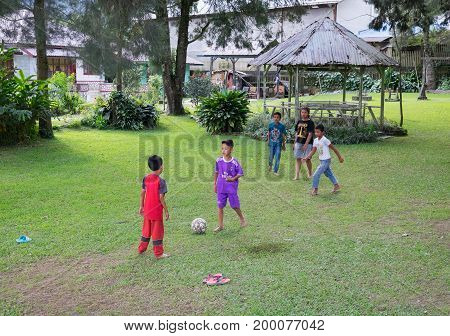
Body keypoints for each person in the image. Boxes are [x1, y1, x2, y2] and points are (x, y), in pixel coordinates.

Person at [138, 155, 170, 258]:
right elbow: (161, 198)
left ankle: (141, 249)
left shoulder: (146, 178)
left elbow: (142, 193)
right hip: (156, 212)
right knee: (157, 232)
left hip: (147, 210)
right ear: (161, 167)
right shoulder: (161, 182)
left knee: (146, 230)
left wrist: (141, 206)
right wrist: (166, 211)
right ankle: (159, 253)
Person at [214, 139, 246, 232]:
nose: (223, 151)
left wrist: (232, 179)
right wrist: (215, 184)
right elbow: (216, 172)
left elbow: (240, 173)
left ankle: (242, 219)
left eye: (226, 149)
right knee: (220, 206)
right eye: (222, 148)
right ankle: (220, 226)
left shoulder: (234, 162)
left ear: (231, 149)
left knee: (234, 205)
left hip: (231, 188)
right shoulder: (219, 160)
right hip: (221, 187)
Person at [305, 125, 344, 196]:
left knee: (316, 174)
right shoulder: (315, 140)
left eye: (318, 132)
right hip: (322, 161)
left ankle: (315, 189)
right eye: (315, 132)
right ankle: (336, 185)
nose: (316, 134)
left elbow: (334, 149)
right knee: (329, 173)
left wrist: (340, 157)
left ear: (323, 132)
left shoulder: (325, 140)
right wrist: (308, 157)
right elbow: (313, 150)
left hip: (326, 160)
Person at [293, 107, 315, 180]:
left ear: (308, 113)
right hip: (298, 142)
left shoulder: (310, 122)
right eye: (302, 112)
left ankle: (310, 173)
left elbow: (310, 134)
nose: (303, 114)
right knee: (298, 158)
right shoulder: (299, 121)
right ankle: (297, 175)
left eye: (305, 112)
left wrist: (306, 144)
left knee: (308, 159)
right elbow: (296, 132)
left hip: (308, 143)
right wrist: (294, 142)